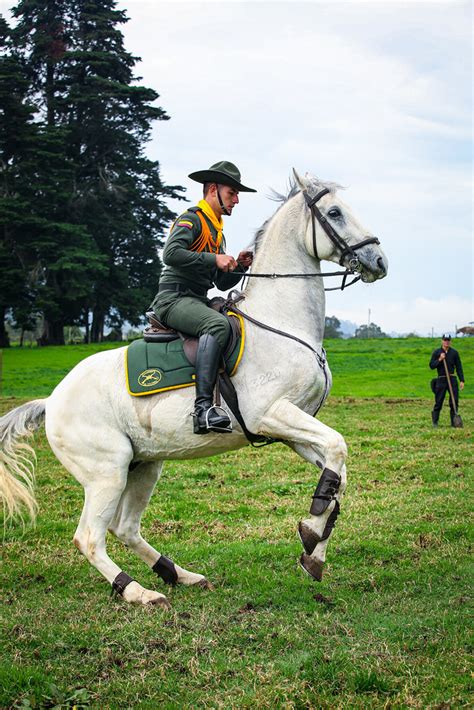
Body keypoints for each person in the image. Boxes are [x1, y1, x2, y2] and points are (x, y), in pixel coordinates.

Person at [150, 160, 256, 435]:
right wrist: (214, 258)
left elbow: (219, 282)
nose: (236, 200)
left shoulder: (217, 231)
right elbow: (170, 254)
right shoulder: (192, 218)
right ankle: (203, 410)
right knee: (217, 325)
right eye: (232, 193)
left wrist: (240, 266)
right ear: (213, 189)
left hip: (196, 299)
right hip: (173, 299)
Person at [429, 334, 465, 427]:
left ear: (450, 341)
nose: (446, 342)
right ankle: (435, 422)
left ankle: (454, 422)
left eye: (448, 340)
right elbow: (431, 365)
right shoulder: (437, 352)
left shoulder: (454, 353)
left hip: (452, 379)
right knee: (439, 400)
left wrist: (462, 380)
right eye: (445, 340)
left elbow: (459, 367)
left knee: (454, 401)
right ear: (442, 341)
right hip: (441, 379)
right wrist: (440, 359)